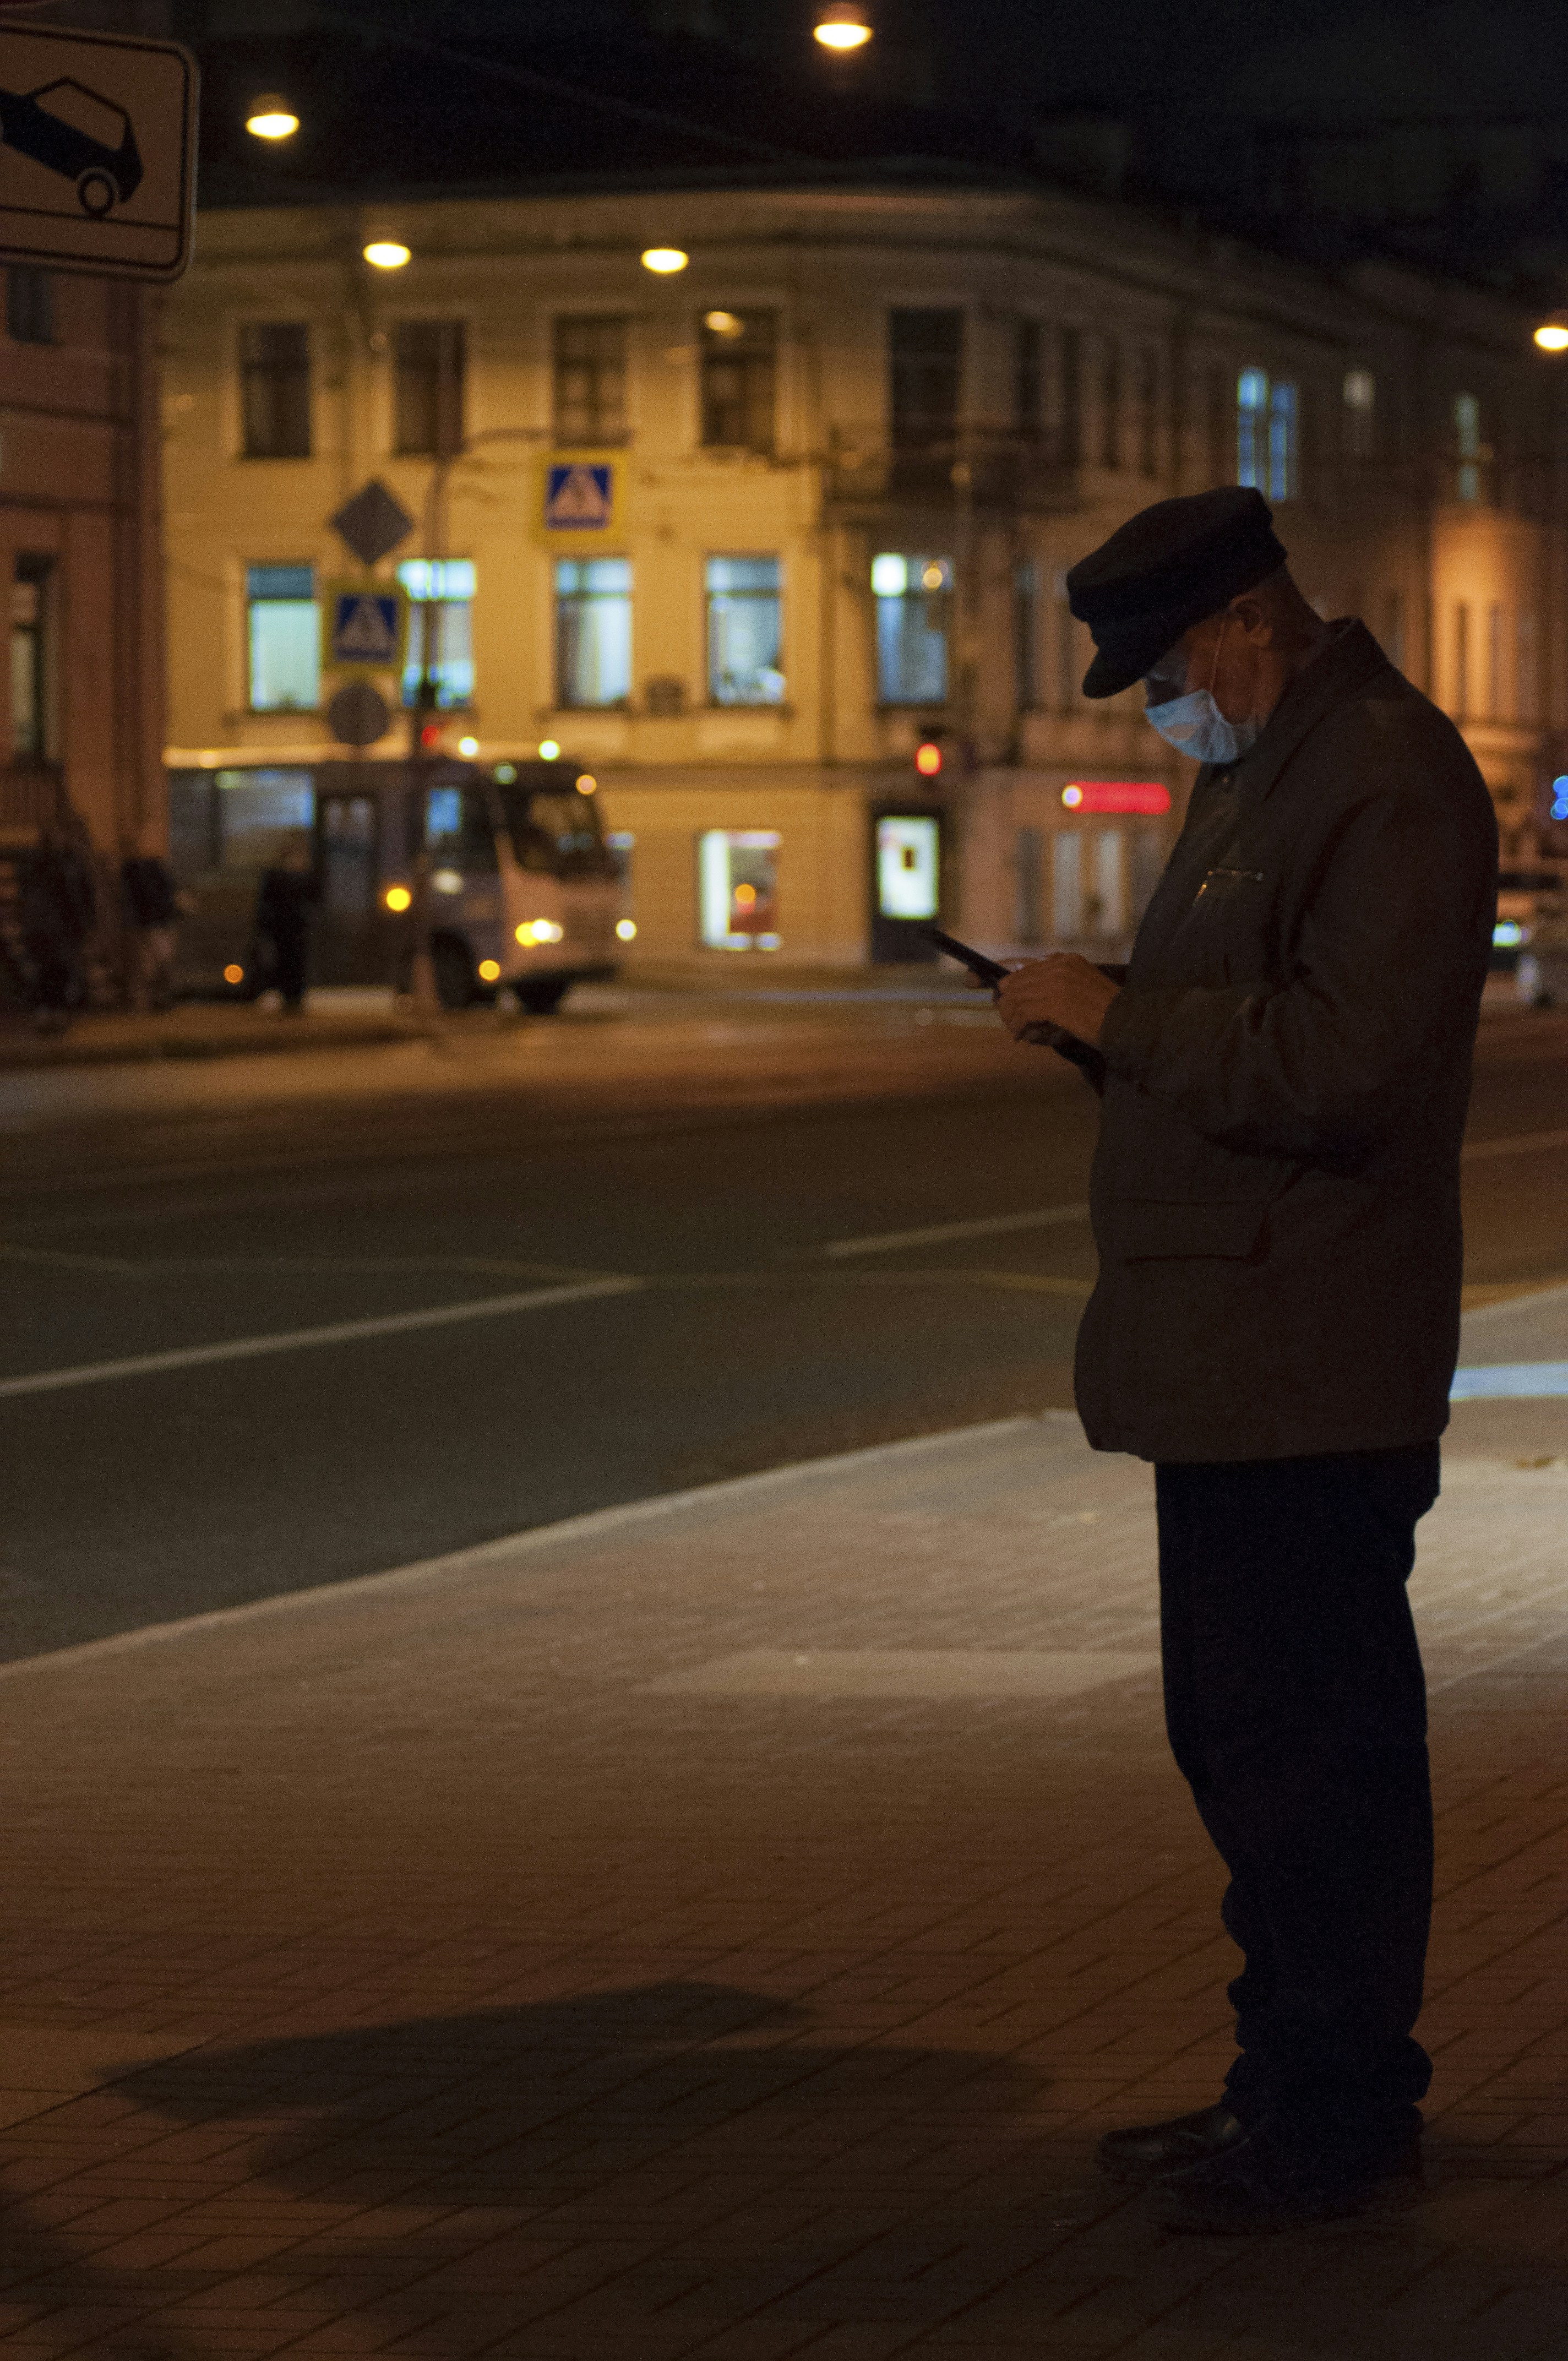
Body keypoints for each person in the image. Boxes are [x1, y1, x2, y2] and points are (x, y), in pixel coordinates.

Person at [994, 487, 1496, 2233]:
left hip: (1308, 1358)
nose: (1154, 703)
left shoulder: (1380, 773)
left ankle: (1338, 2108)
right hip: (1238, 1353)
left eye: (1157, 668)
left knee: (1314, 1754)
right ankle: (1278, 2079)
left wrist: (1115, 1013)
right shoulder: (1266, 768)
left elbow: (1348, 1062)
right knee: (1242, 1739)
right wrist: (1106, 1018)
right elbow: (1249, 1030)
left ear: (1235, 627)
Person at [19, 815, 97, 1036]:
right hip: (46, 929)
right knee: (47, 973)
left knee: (61, 973)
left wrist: (86, 925)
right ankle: (46, 1017)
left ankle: (55, 1017)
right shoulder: (40, 863)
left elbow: (83, 897)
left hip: (63, 929)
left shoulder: (72, 863)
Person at [254, 832, 319, 1014]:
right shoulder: (276, 875)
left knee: (296, 962)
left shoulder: (305, 876)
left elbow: (314, 899)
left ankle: (294, 998)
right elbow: (266, 903)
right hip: (281, 927)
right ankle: (286, 997)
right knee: (281, 962)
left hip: (297, 927)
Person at [119, 836, 182, 1011]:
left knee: (159, 962)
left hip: (157, 923)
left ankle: (158, 999)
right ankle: (151, 1000)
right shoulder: (135, 870)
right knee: (151, 964)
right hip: (150, 923)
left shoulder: (153, 870)